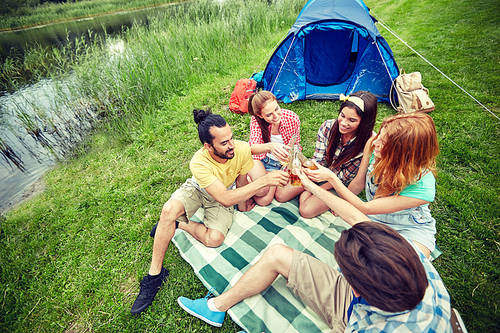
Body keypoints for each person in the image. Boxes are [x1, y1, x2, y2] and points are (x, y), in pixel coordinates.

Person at [177, 171, 452, 332]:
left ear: (358, 290)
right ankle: (216, 307)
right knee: (276, 254)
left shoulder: (370, 328)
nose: (341, 276)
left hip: (357, 317)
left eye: (347, 277)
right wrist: (309, 185)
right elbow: (360, 219)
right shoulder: (413, 257)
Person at [131, 109, 289, 315]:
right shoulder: (199, 162)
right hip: (199, 190)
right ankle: (154, 276)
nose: (231, 145)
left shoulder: (239, 149)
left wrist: (242, 201)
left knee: (214, 239)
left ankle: (178, 225)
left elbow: (240, 178)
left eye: (231, 138)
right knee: (169, 209)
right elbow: (224, 197)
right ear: (208, 146)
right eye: (224, 143)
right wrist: (264, 180)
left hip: (223, 195)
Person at [304, 112, 439, 258]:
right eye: (379, 136)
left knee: (403, 266)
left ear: (403, 152)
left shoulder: (423, 187)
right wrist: (343, 202)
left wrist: (332, 178)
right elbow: (358, 182)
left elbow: (365, 208)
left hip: (409, 228)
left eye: (383, 142)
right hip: (375, 219)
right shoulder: (373, 146)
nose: (375, 143)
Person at [275, 91, 377, 219]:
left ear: (364, 122)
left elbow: (348, 179)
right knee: (280, 195)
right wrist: (308, 175)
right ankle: (308, 191)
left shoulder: (369, 143)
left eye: (352, 120)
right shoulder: (328, 127)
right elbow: (318, 161)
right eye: (342, 115)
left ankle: (307, 193)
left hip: (340, 184)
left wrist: (313, 187)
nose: (344, 123)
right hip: (318, 171)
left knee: (306, 210)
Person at [246, 91, 301, 206]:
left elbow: (296, 145)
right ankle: (244, 179)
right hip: (260, 160)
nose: (276, 116)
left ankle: (263, 178)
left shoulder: (292, 118)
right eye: (269, 115)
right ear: (260, 115)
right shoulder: (256, 120)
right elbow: (252, 148)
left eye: (277, 109)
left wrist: (292, 164)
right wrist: (270, 146)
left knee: (264, 201)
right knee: (262, 191)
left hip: (280, 165)